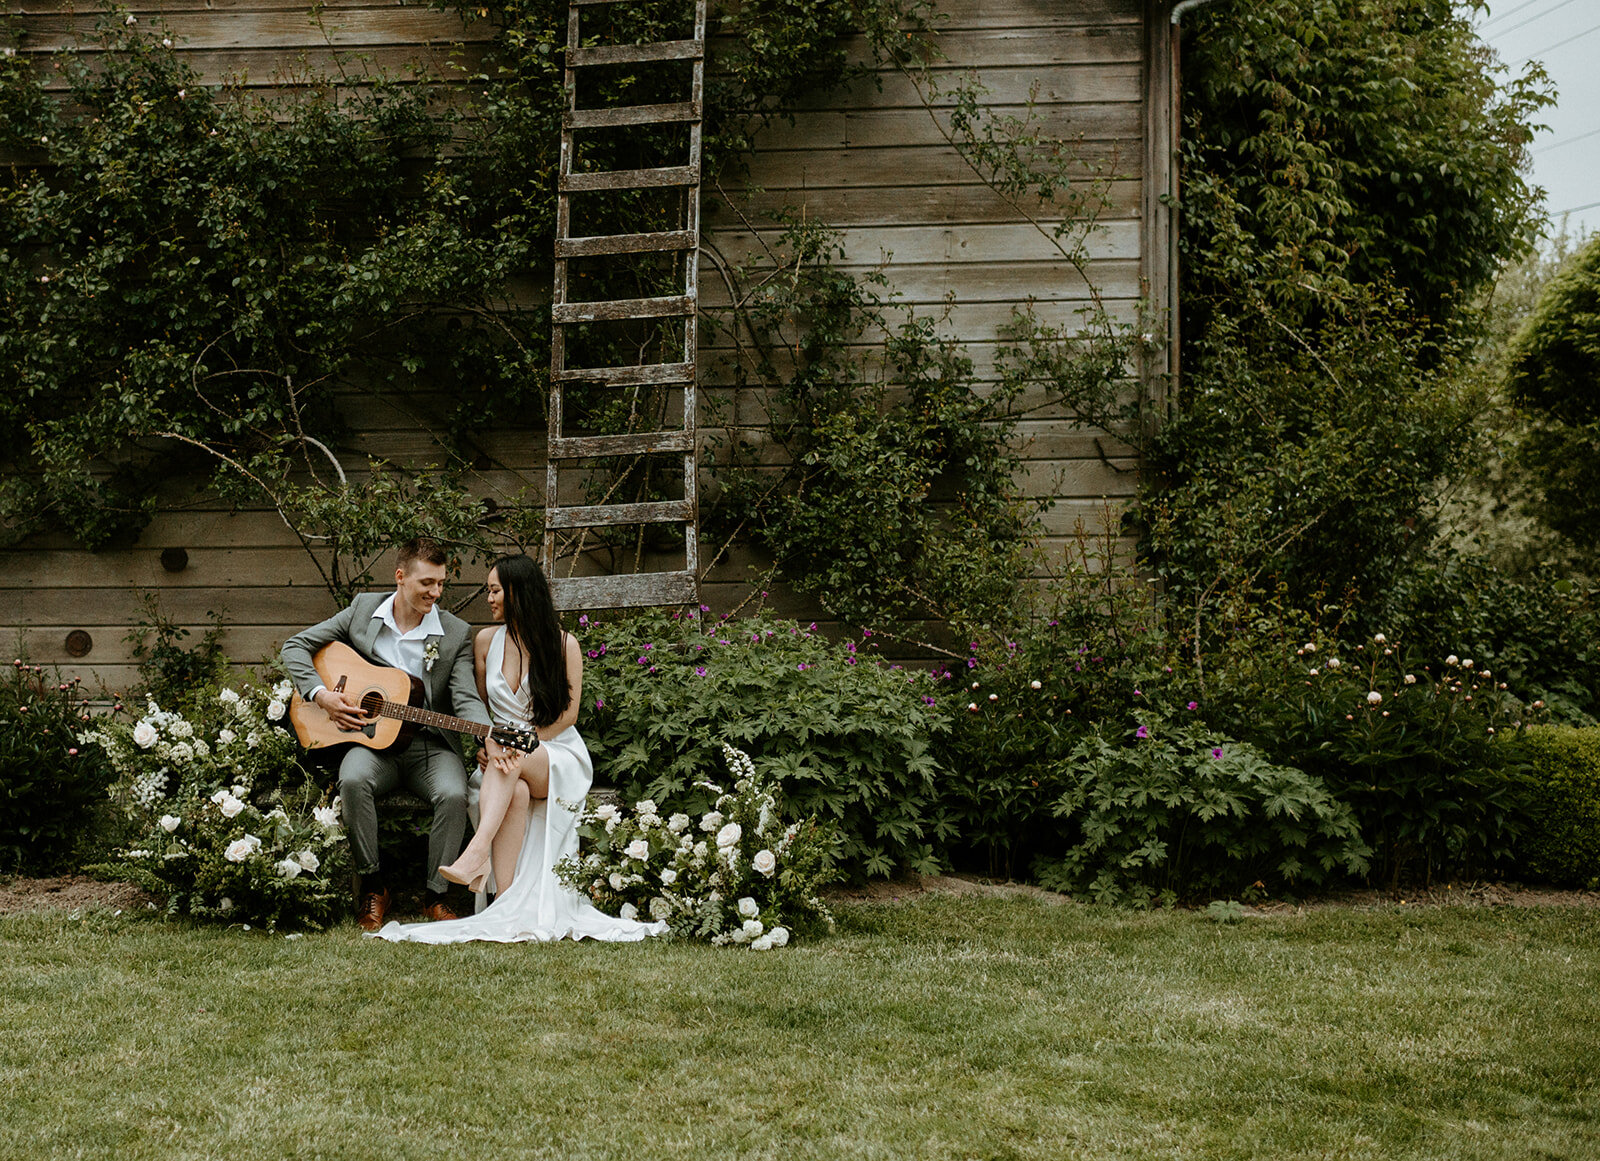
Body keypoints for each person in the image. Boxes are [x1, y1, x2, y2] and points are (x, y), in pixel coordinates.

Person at [373, 553, 666, 944]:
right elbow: (478, 709)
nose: (489, 599)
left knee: (515, 764)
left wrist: (518, 744)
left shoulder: (564, 645)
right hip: (506, 764)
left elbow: (568, 716)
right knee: (516, 783)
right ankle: (505, 901)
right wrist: (486, 744)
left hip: (555, 753)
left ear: (517, 592)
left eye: (495, 590)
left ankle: (477, 854)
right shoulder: (485, 642)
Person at [281, 537, 501, 930]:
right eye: (426, 583)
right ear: (400, 577)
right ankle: (373, 885)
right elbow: (295, 646)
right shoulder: (362, 611)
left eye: (441, 584)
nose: (436, 592)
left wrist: (486, 734)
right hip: (370, 741)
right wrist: (322, 696)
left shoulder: (454, 633)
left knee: (453, 794)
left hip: (429, 746)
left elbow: (465, 696)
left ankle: (437, 895)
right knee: (352, 780)